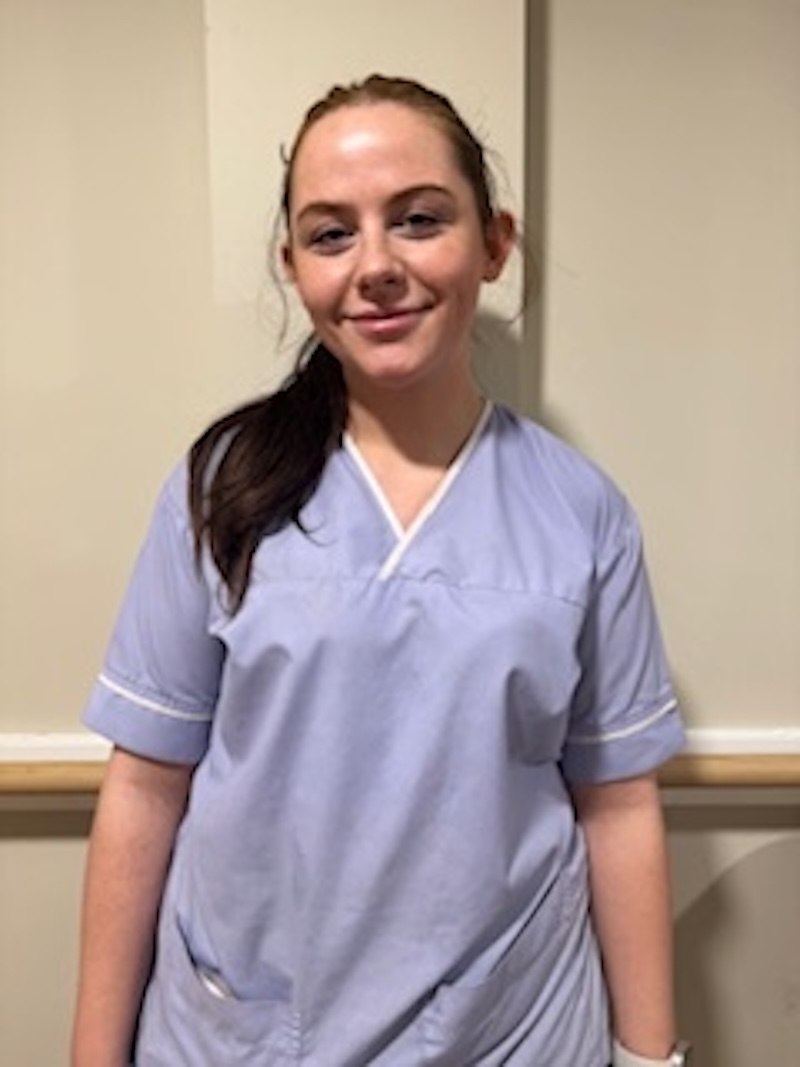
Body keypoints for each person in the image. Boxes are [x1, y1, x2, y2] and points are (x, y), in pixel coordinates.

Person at [71, 74, 689, 1067]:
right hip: (245, 1033)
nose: (375, 267)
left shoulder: (580, 513)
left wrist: (649, 1055)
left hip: (512, 1031)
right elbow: (145, 786)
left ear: (494, 241)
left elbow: (615, 801)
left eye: (417, 220)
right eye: (329, 234)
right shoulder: (221, 487)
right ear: (292, 266)